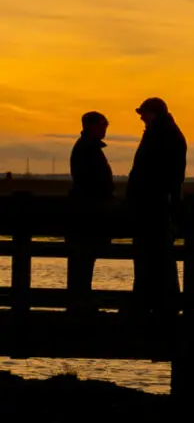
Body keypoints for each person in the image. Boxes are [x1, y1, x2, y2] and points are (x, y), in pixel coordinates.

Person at [127, 98, 187, 321]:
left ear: (154, 113)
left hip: (154, 203)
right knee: (155, 255)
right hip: (155, 202)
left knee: (154, 255)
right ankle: (157, 302)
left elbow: (160, 172)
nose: (141, 117)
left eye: (144, 113)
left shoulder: (162, 134)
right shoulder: (163, 132)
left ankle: (156, 303)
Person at [68, 111, 115, 297]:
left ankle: (80, 301)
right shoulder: (88, 149)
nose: (105, 128)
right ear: (92, 126)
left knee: (83, 262)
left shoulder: (86, 147)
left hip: (86, 213)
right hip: (89, 214)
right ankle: (80, 302)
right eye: (103, 124)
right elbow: (91, 181)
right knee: (84, 261)